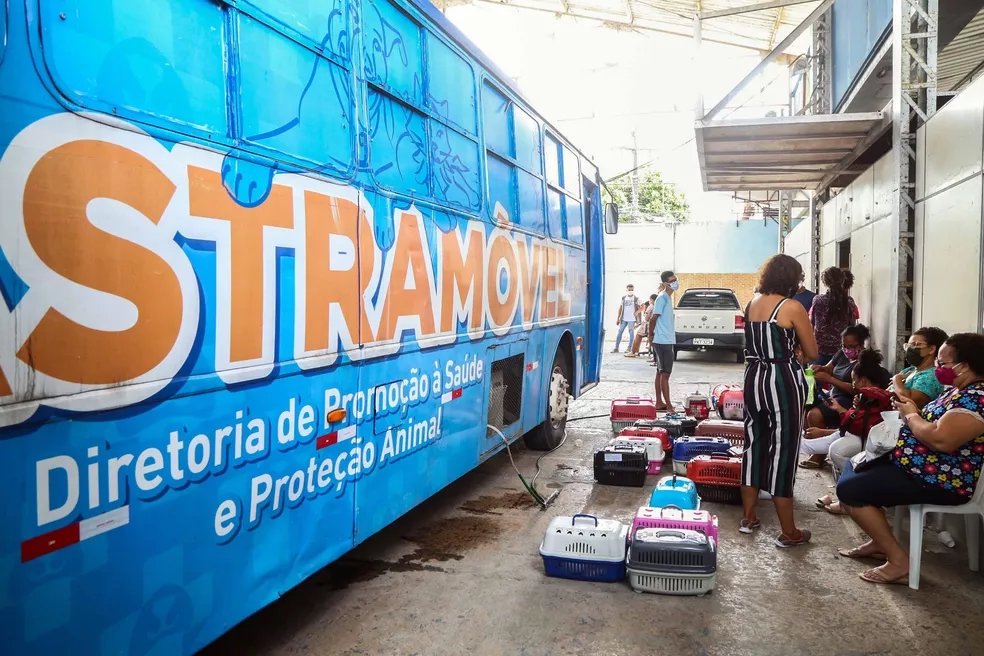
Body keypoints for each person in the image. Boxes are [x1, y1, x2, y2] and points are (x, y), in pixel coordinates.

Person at [836, 332, 984, 585]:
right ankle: (880, 542)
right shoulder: (959, 390)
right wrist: (910, 410)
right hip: (918, 465)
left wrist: (911, 416)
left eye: (943, 364)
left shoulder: (976, 399)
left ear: (965, 365)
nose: (938, 369)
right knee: (854, 465)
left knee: (850, 489)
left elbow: (942, 439)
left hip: (941, 479)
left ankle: (898, 561)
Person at [740, 254, 818, 546]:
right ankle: (789, 531)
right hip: (782, 379)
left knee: (754, 443)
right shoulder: (793, 307)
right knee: (785, 448)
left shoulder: (753, 303)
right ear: (792, 278)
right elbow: (811, 352)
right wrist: (797, 349)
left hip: (753, 376)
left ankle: (749, 517)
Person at [801, 333, 889, 468]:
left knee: (835, 448)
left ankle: (811, 451)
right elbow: (854, 422)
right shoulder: (864, 398)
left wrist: (823, 432)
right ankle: (804, 446)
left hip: (861, 436)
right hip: (851, 426)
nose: (853, 384)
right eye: (844, 346)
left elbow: (856, 426)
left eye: (853, 380)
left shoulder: (874, 400)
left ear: (863, 381)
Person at [809, 267, 858, 364]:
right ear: (842, 280)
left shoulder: (818, 300)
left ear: (824, 283)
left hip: (820, 351)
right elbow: (852, 327)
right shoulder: (849, 301)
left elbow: (812, 324)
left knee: (816, 377)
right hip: (841, 353)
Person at [892, 326, 948, 409]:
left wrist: (896, 379)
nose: (910, 349)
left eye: (915, 344)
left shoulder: (931, 377)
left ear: (932, 349)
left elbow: (908, 401)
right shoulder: (910, 370)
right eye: (908, 345)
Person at [651, 271, 678, 412]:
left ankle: (659, 402)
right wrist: (650, 337)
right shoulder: (662, 298)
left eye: (675, 280)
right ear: (665, 283)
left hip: (665, 340)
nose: (675, 282)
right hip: (662, 341)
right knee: (665, 373)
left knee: (660, 372)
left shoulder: (667, 297)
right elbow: (653, 318)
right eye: (672, 280)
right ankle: (668, 406)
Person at [612, 284, 640, 353]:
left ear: (633, 290)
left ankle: (629, 348)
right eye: (629, 290)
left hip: (632, 319)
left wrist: (637, 313)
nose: (630, 291)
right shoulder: (624, 298)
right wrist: (618, 318)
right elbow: (620, 308)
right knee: (619, 332)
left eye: (632, 290)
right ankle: (616, 348)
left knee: (631, 333)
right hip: (624, 319)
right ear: (626, 290)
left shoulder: (636, 298)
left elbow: (642, 307)